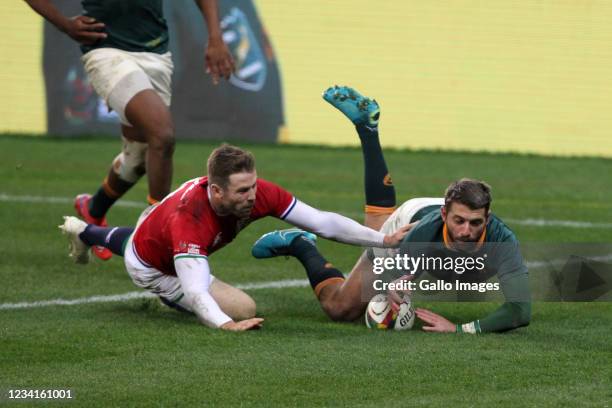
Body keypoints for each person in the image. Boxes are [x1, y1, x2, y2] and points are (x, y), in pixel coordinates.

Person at [252, 86, 531, 334]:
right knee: (342, 308)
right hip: (412, 220)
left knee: (374, 227)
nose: (466, 231)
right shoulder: (422, 234)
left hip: (432, 216)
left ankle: (368, 130)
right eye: (459, 221)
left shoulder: (503, 240)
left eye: (475, 223)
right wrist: (394, 284)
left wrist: (459, 328)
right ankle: (301, 243)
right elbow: (395, 274)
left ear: (488, 218)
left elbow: (520, 312)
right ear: (446, 216)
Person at [59, 144, 410, 331]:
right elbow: (196, 289)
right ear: (215, 190)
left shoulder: (256, 193)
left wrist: (382, 241)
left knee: (141, 240)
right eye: (242, 191)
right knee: (243, 308)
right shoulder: (191, 220)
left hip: (153, 226)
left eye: (254, 186)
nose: (252, 196)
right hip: (156, 267)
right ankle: (160, 294)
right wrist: (226, 324)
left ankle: (86, 230)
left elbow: (321, 222)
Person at [26, 0, 235, 261]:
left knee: (138, 154)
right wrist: (65, 24)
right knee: (162, 135)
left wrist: (215, 37)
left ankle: (93, 208)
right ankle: (157, 243)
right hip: (107, 50)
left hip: (156, 53)